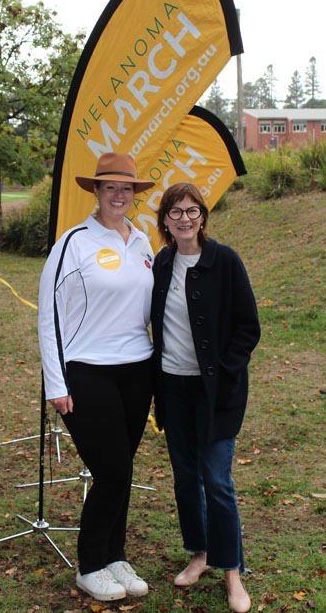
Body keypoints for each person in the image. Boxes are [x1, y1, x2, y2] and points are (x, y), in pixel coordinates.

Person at [38, 153, 155, 602]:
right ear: (96, 191)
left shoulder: (142, 242)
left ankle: (114, 556)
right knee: (112, 471)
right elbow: (49, 315)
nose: (119, 195)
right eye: (110, 187)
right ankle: (90, 566)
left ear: (134, 194)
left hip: (138, 371)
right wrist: (56, 383)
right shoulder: (74, 243)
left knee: (122, 469)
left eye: (126, 188)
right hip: (87, 370)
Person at [151, 181, 260, 613]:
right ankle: (199, 553)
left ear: (203, 216)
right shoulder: (162, 262)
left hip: (216, 393)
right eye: (175, 211)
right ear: (164, 220)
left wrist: (225, 371)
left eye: (191, 210)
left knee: (216, 480)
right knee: (185, 478)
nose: (184, 219)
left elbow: (248, 327)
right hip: (173, 388)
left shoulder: (224, 260)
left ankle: (232, 572)